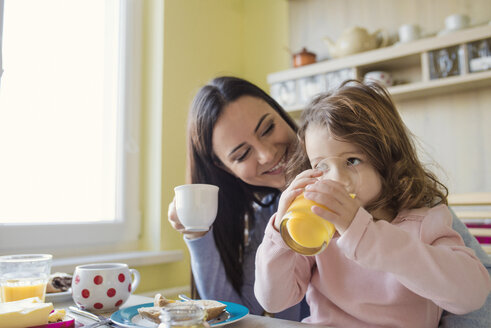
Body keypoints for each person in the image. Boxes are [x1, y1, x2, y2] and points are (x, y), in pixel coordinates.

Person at [168, 76, 491, 325]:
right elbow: (262, 304)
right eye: (321, 165)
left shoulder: (418, 214)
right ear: (225, 170)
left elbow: (475, 294)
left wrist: (363, 233)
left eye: (351, 160)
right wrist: (277, 234)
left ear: (387, 159)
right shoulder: (283, 219)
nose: (266, 154)